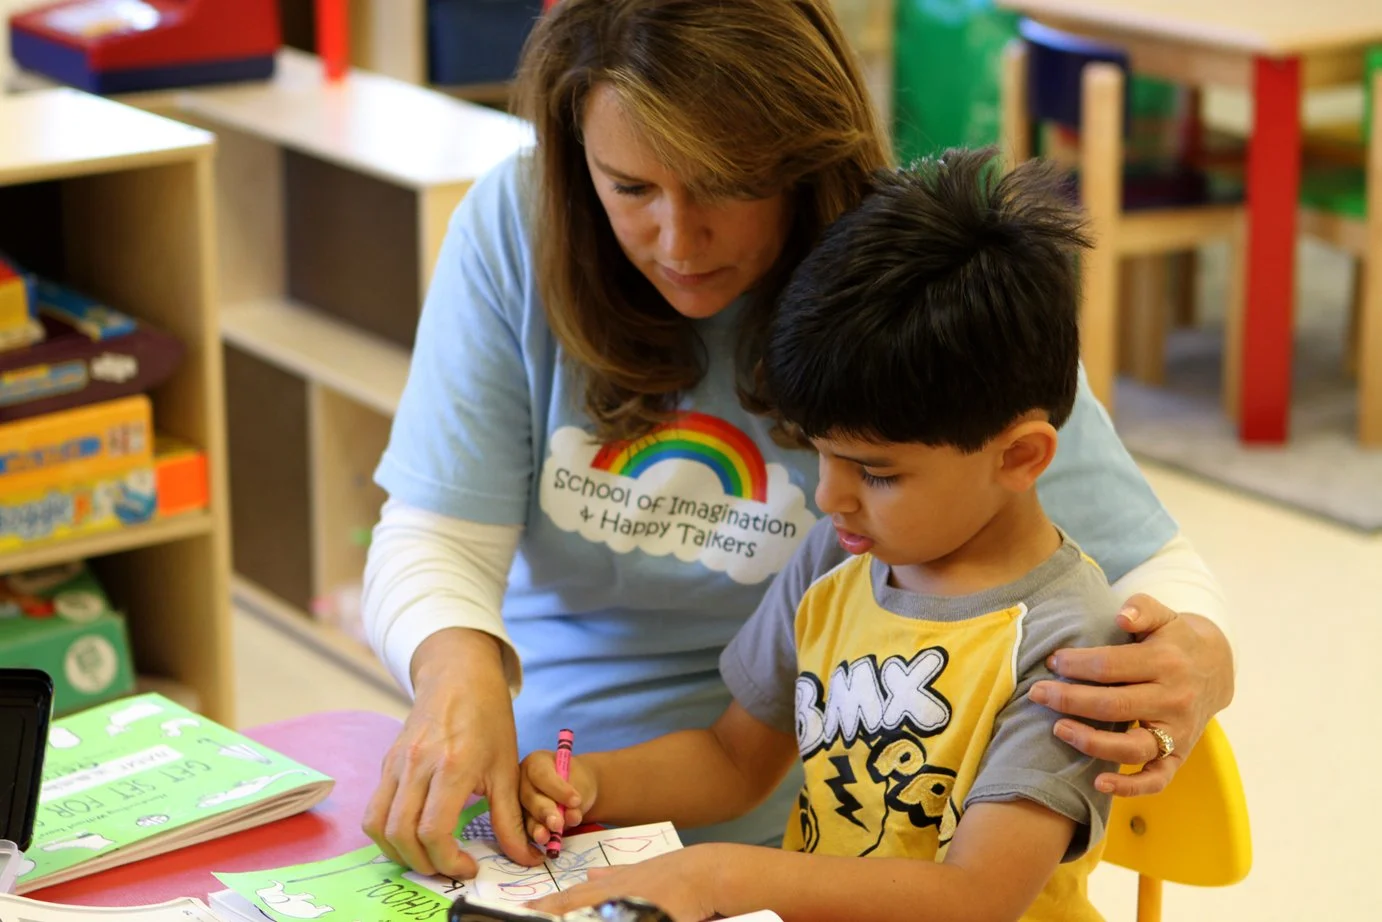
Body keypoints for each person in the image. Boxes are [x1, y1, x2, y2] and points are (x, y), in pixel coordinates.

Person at [362, 0, 1234, 882]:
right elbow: (437, 536)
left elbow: (1146, 578)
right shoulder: (828, 556)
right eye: (629, 188)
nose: (676, 239)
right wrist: (462, 682)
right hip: (575, 811)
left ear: (801, 154)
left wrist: (1192, 656)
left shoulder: (911, 293)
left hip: (808, 858)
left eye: (721, 185)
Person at [517, 149, 1127, 922]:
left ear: (1019, 456)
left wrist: (725, 878)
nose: (830, 495)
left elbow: (977, 898)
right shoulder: (839, 556)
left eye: (875, 472)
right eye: (819, 454)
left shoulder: (1071, 646)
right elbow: (735, 761)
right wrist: (593, 782)